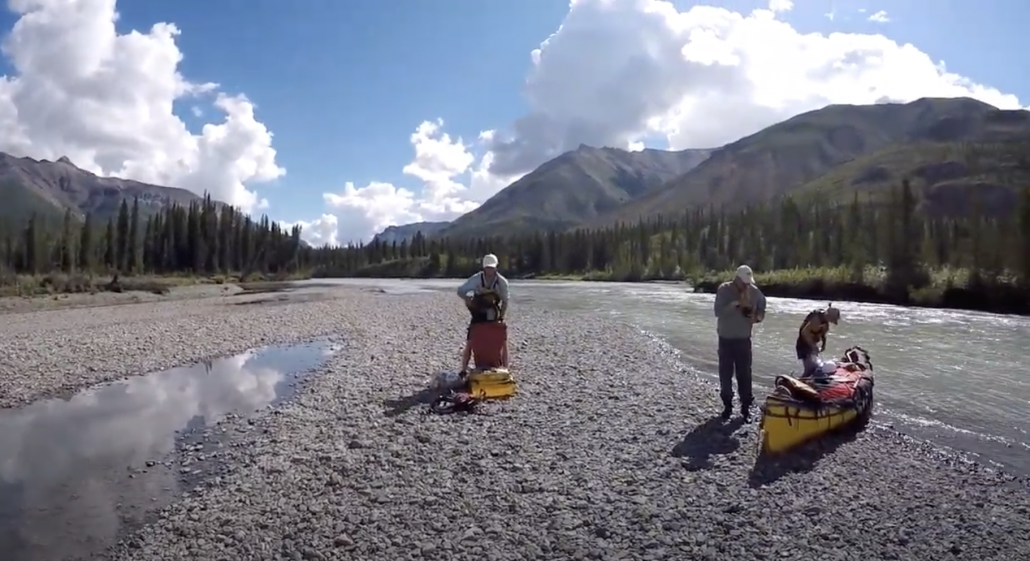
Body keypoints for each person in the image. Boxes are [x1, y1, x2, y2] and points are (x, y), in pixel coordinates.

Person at [713, 264, 767, 421]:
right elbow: (718, 312)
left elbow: (762, 306)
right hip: (725, 340)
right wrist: (735, 304)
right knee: (725, 375)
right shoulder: (724, 289)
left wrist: (757, 317)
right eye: (744, 281)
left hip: (744, 340)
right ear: (736, 279)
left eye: (748, 282)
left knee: (745, 375)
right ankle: (727, 406)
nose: (746, 285)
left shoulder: (754, 291)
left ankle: (745, 408)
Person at [456, 254, 510, 373]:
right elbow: (460, 291)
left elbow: (505, 301)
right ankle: (463, 369)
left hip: (494, 313)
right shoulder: (476, 279)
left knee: (502, 340)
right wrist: (467, 299)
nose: (489, 270)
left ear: (496, 267)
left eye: (491, 268)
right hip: (477, 312)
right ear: (484, 268)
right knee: (471, 340)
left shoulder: (502, 282)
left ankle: (505, 369)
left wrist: (501, 317)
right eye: (487, 268)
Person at [796, 304, 841, 377]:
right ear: (829, 316)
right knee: (809, 369)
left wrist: (823, 344)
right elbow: (804, 333)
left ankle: (811, 381)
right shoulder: (816, 320)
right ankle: (800, 383)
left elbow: (823, 333)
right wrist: (813, 346)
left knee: (815, 366)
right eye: (833, 319)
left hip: (812, 344)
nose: (832, 322)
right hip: (803, 345)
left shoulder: (825, 321)